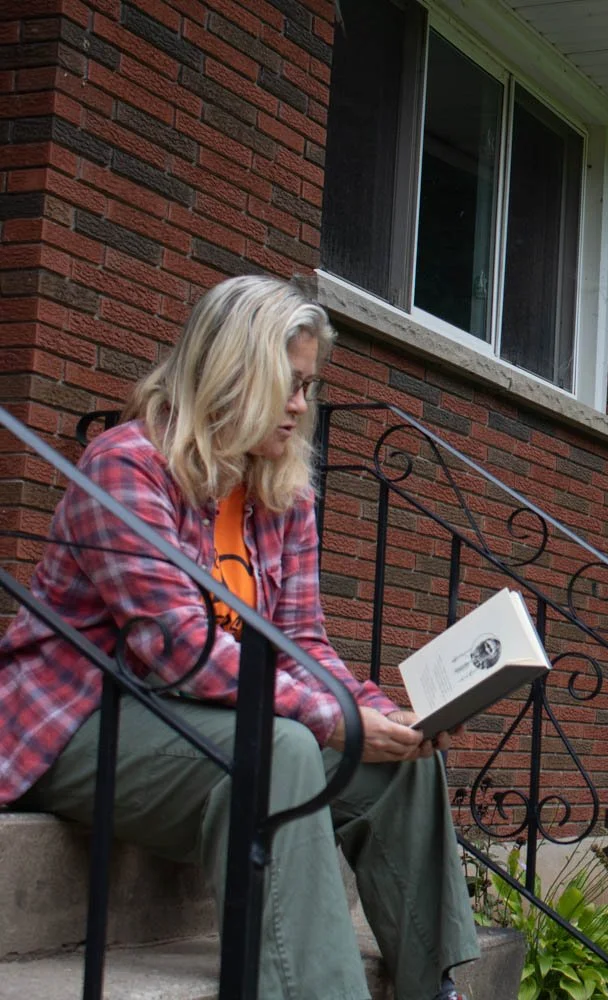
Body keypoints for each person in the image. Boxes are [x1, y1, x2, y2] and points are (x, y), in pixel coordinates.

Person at [0, 276, 480, 1000]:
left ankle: (432, 985)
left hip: (198, 721)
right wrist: (332, 720)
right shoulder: (128, 465)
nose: (299, 405)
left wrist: (374, 712)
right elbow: (178, 648)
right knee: (280, 744)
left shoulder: (281, 491)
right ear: (231, 372)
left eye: (307, 387)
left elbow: (303, 642)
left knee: (399, 767)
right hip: (76, 722)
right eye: (286, 383)